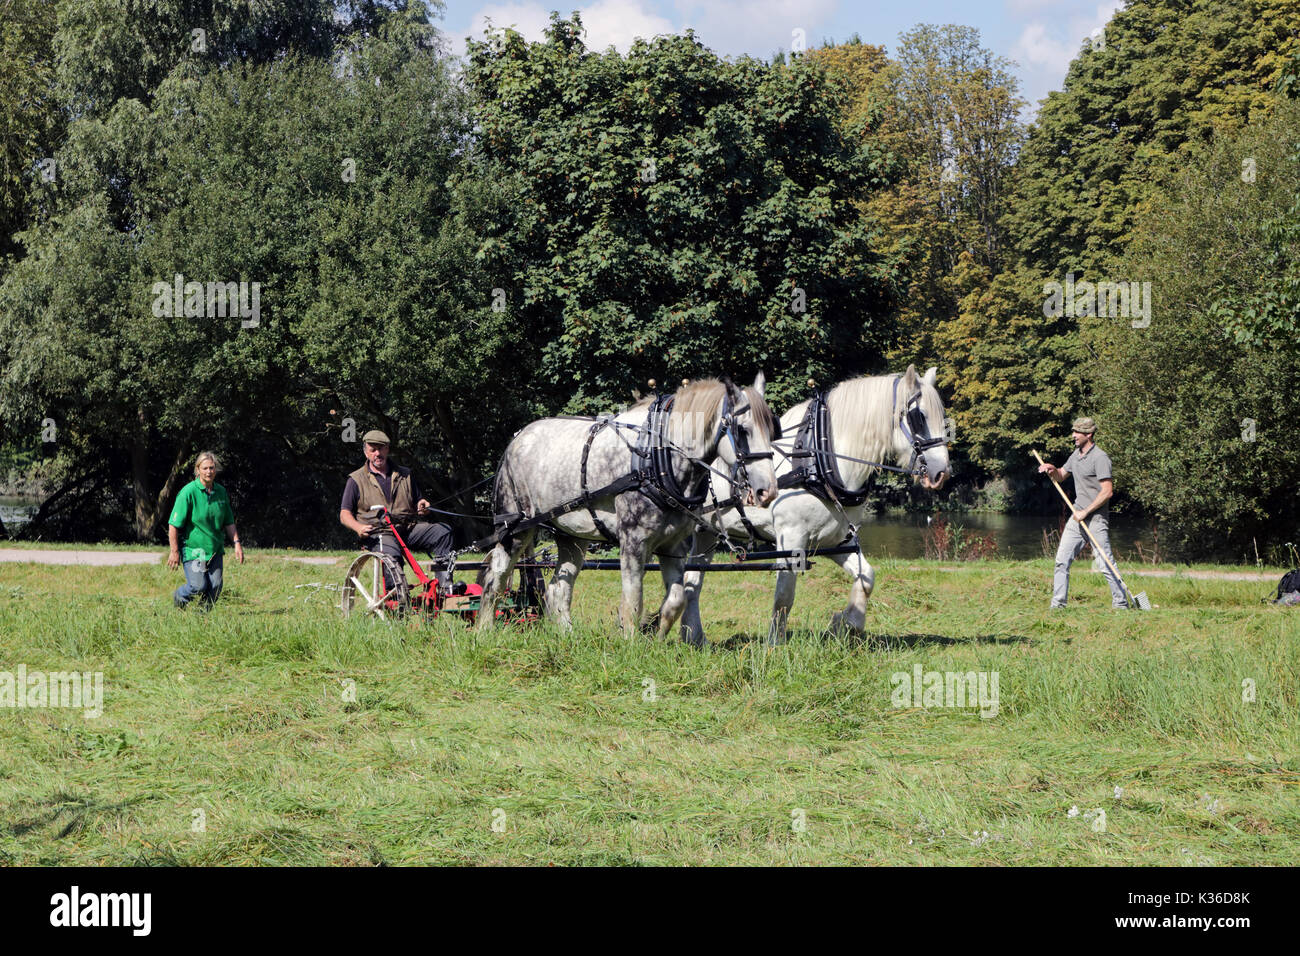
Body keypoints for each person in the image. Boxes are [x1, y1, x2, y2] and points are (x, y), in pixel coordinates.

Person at [339, 430, 453, 586]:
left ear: (388, 449)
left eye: (381, 448)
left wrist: (423, 505)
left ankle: (445, 588)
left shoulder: (405, 474)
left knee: (442, 532)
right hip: (379, 533)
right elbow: (344, 514)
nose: (378, 453)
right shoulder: (355, 479)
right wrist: (358, 527)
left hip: (407, 528)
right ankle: (397, 600)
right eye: (373, 450)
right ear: (366, 453)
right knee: (392, 554)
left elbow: (419, 501)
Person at [1037, 417, 1128, 609]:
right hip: (1076, 516)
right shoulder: (1076, 455)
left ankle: (1121, 604)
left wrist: (1086, 511)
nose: (1073, 436)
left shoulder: (1100, 458)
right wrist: (1052, 469)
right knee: (1061, 561)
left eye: (1077, 432)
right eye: (1074, 431)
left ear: (1089, 434)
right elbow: (1061, 475)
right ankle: (1058, 606)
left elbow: (1107, 491)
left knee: (1105, 564)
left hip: (1095, 518)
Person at [168, 451, 244, 608]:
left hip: (215, 550)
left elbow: (228, 521)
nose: (209, 471)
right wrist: (174, 551)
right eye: (205, 468)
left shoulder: (221, 492)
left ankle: (202, 618)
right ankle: (179, 598)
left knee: (215, 587)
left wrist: (236, 543)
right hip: (195, 551)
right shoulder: (188, 492)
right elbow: (173, 525)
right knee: (198, 586)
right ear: (198, 470)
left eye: (212, 468)